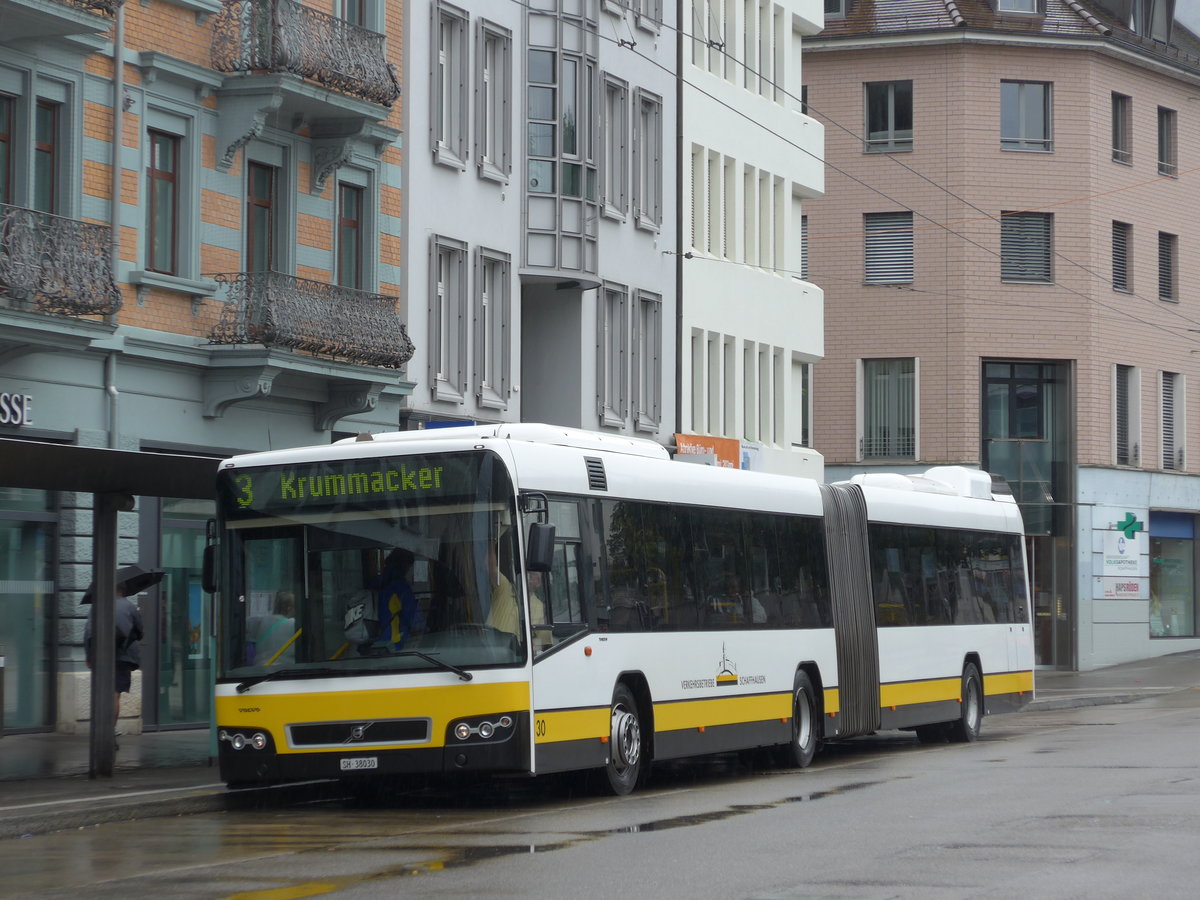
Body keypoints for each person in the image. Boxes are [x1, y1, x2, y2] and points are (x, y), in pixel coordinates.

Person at [85, 583, 143, 745]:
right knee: (115, 694)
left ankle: (100, 728)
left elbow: (88, 632)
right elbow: (140, 632)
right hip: (123, 657)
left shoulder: (96, 607)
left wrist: (89, 655)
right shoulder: (130, 607)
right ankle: (110, 729)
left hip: (101, 656)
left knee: (101, 693)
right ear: (123, 590)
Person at [373, 549, 424, 650]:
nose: (409, 570)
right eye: (409, 567)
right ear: (404, 565)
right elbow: (416, 620)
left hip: (374, 642)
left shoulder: (376, 582)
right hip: (394, 643)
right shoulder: (401, 587)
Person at [249, 591, 297, 665]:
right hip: (285, 670)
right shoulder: (292, 624)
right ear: (289, 609)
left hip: (260, 669)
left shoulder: (262, 621)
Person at [484, 541, 519, 636]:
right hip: (493, 642)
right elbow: (490, 566)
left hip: (514, 646)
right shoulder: (505, 586)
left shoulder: (537, 605)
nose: (531, 579)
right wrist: (491, 540)